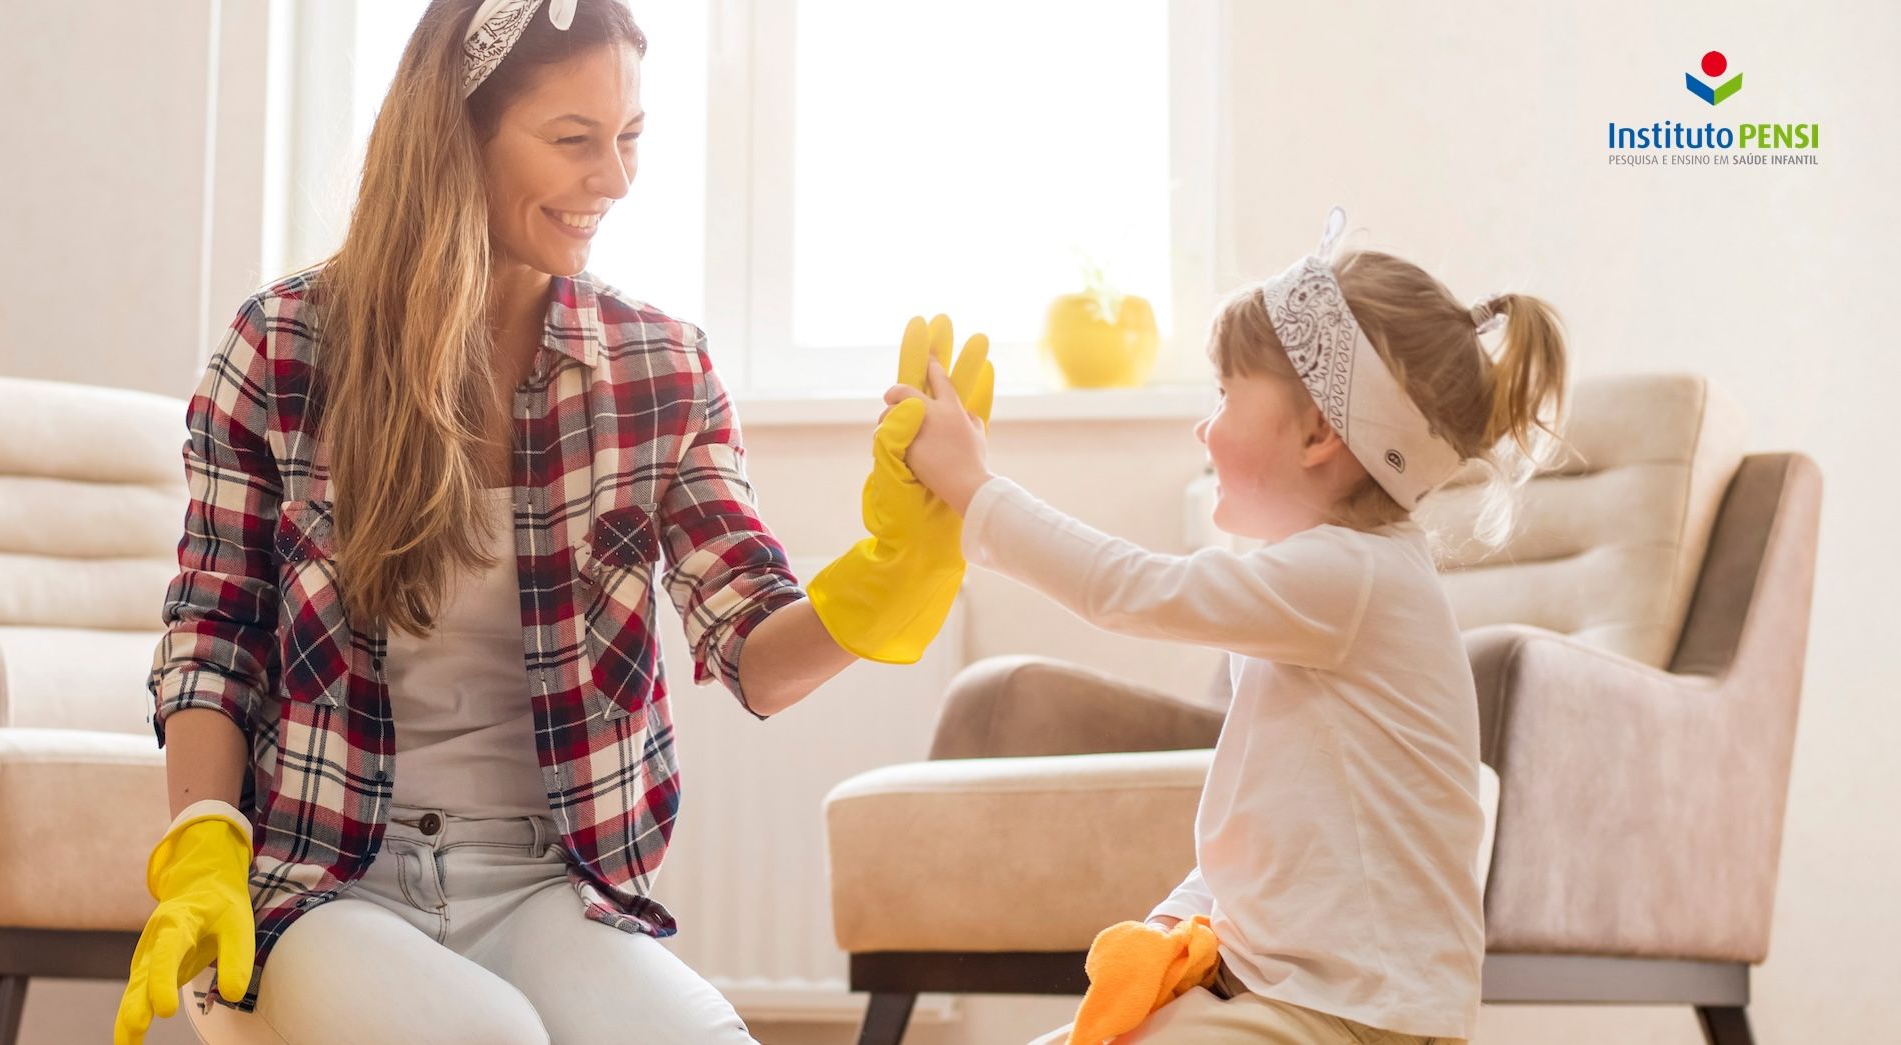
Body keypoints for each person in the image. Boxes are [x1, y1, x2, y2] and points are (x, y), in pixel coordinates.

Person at [110, 1, 992, 1041]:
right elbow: (214, 633)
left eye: (630, 139)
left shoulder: (659, 367)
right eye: (574, 141)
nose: (613, 180)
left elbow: (752, 646)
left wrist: (897, 571)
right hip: (321, 884)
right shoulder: (285, 347)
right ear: (454, 132)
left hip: (547, 884)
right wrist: (204, 844)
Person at [893, 208, 1568, 1044]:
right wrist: (1170, 931)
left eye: (1223, 394)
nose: (1201, 425)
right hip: (1286, 993)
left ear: (1320, 430)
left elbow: (1130, 589)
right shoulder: (1321, 593)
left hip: (1357, 1015)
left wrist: (975, 488)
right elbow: (1252, 837)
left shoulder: (1352, 576)